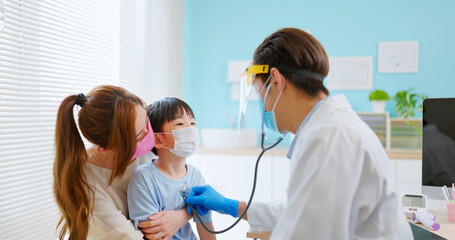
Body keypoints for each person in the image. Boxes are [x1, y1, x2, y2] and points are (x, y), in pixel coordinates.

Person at [184, 28, 413, 239]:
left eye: (259, 91)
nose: (262, 105)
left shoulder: (331, 137)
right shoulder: (326, 129)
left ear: (276, 80)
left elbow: (307, 232)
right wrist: (231, 206)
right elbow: (298, 212)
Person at [54, 85, 192, 240]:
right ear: (106, 149)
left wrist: (183, 215)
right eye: (139, 135)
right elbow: (131, 237)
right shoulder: (85, 183)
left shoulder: (147, 145)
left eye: (146, 122)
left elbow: (183, 188)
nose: (149, 134)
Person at [128, 97, 216, 240]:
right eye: (180, 123)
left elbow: (205, 225)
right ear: (158, 139)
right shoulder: (144, 177)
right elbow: (153, 232)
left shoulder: (195, 175)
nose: (190, 128)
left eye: (192, 123)